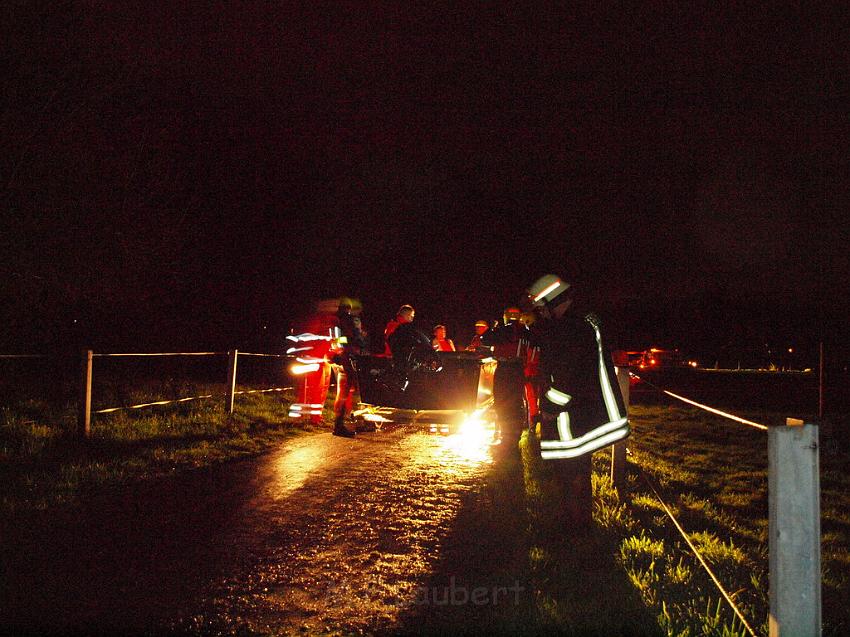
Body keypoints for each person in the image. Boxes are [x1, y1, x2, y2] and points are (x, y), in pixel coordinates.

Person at [526, 274, 629, 528]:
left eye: (541, 307)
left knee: (572, 472)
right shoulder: (582, 320)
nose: (540, 314)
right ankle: (576, 523)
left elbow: (567, 375)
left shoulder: (570, 327)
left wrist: (549, 407)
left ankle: (575, 527)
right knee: (577, 469)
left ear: (552, 300)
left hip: (574, 413)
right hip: (582, 409)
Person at [481, 306, 535, 449]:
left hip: (505, 369)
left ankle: (506, 437)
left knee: (502, 402)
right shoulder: (526, 331)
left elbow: (485, 339)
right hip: (518, 370)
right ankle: (514, 435)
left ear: (505, 316)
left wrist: (493, 326)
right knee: (516, 402)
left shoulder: (503, 330)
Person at [331, 301, 367, 437]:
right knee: (345, 391)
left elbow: (337, 340)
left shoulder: (337, 321)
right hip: (346, 359)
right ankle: (339, 425)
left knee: (346, 391)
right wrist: (355, 344)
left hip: (343, 358)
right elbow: (342, 340)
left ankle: (348, 422)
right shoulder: (344, 322)